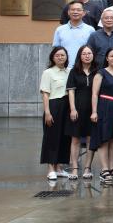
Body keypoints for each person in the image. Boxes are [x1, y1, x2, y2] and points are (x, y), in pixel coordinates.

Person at [89, 48, 113, 185]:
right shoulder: (101, 73)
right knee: (104, 138)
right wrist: (94, 111)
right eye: (111, 56)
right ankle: (104, 169)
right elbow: (94, 94)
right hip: (104, 107)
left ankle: (111, 168)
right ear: (107, 58)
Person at [65, 46, 96, 180]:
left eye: (89, 53)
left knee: (90, 139)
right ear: (80, 56)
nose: (87, 56)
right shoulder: (74, 71)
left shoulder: (98, 71)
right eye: (84, 54)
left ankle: (88, 168)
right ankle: (74, 168)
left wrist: (96, 111)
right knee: (75, 139)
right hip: (77, 109)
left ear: (93, 55)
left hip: (93, 110)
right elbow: (71, 91)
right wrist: (72, 109)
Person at [40, 46, 71, 180]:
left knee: (65, 138)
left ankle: (59, 168)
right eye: (57, 55)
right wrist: (47, 112)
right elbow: (45, 94)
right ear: (53, 57)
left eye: (63, 55)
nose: (60, 57)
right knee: (51, 137)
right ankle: (50, 168)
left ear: (66, 57)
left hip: (67, 106)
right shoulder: (48, 72)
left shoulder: (70, 71)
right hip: (54, 105)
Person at [53, 0, 95, 68]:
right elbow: (56, 50)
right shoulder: (60, 30)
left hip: (83, 68)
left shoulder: (90, 30)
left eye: (78, 10)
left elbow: (92, 51)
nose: (75, 12)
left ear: (84, 13)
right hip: (64, 68)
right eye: (73, 10)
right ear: (68, 12)